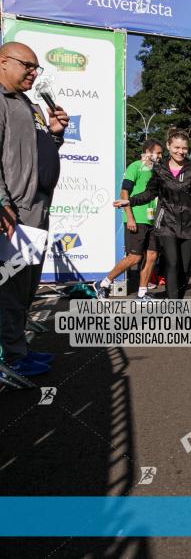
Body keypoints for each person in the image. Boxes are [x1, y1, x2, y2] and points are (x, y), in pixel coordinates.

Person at [0, 41, 69, 376]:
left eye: (36, 67)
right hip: (15, 208)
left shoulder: (28, 104)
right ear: (3, 62)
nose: (33, 72)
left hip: (38, 206)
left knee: (27, 285)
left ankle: (18, 348)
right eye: (27, 65)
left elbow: (41, 148)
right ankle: (11, 356)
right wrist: (2, 201)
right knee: (11, 287)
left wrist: (56, 134)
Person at [114, 130, 191, 299]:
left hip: (190, 224)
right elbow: (149, 193)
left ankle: (178, 300)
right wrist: (130, 201)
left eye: (184, 148)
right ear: (168, 146)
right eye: (176, 147)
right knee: (172, 263)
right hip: (166, 223)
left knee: (184, 268)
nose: (180, 151)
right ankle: (174, 308)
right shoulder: (159, 169)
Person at [95, 139, 162, 301]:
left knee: (152, 256)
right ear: (148, 152)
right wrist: (129, 217)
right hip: (137, 218)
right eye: (158, 153)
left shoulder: (157, 171)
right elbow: (124, 192)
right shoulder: (135, 167)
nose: (160, 156)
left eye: (161, 153)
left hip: (152, 220)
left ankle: (142, 293)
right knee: (135, 257)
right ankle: (103, 283)